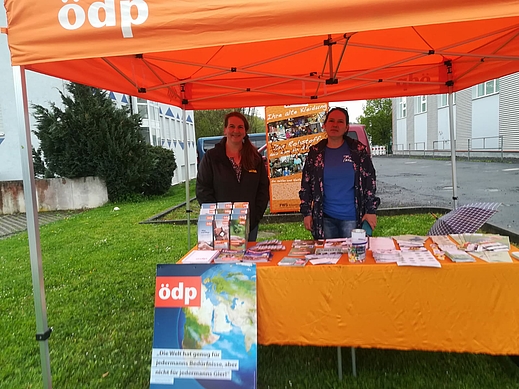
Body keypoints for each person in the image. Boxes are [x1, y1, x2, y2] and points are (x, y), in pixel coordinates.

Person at [299, 107, 380, 239]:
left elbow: (370, 182)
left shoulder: (358, 151)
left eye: (340, 121)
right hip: (324, 219)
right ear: (325, 125)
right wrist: (307, 212)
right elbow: (306, 184)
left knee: (352, 257)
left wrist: (371, 210)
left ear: (346, 127)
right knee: (327, 258)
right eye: (331, 120)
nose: (335, 125)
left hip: (352, 219)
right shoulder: (316, 152)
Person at [196, 112, 270, 241]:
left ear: (245, 131)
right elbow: (203, 189)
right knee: (223, 260)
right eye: (232, 126)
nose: (236, 130)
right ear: (225, 130)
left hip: (249, 224)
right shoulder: (212, 157)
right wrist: (216, 217)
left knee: (247, 259)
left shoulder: (255, 158)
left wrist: (254, 217)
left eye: (240, 127)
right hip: (219, 226)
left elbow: (263, 190)